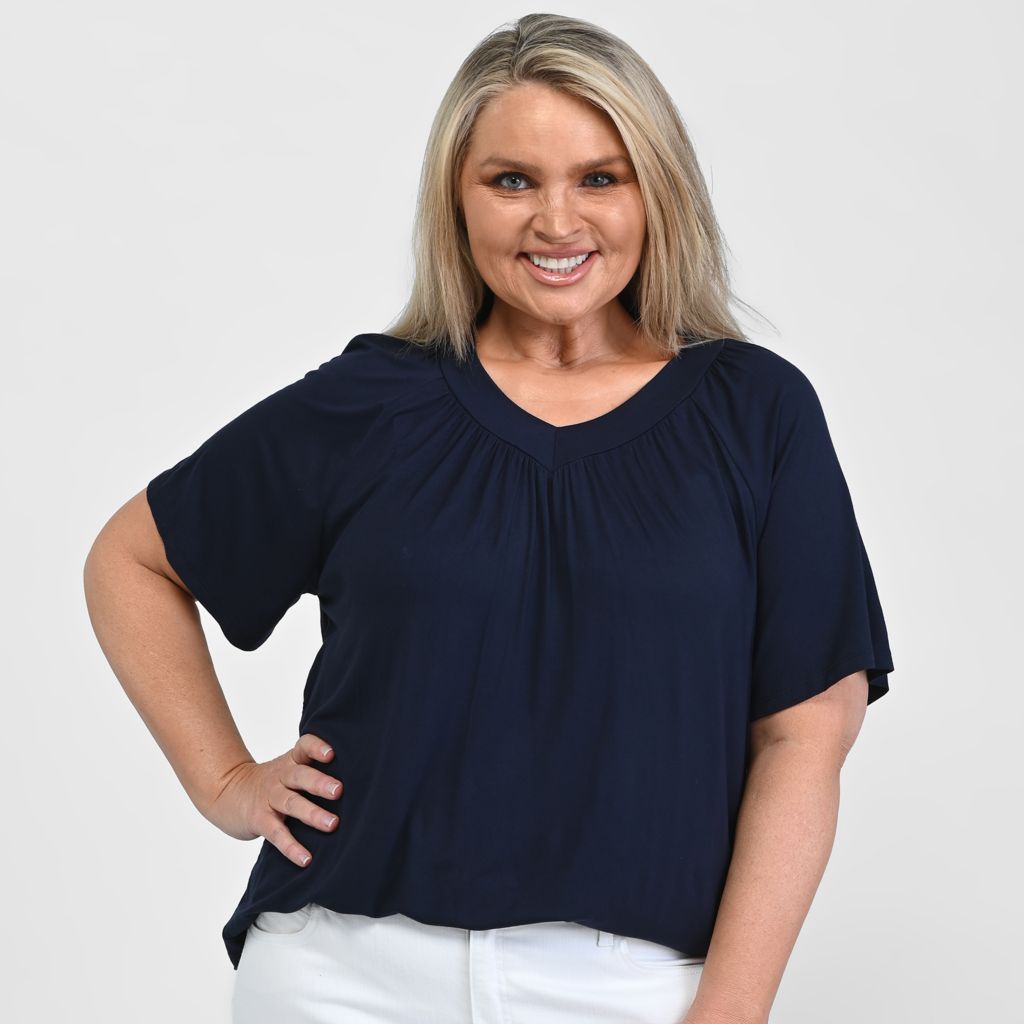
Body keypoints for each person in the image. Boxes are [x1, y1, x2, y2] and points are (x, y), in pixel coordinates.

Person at [83, 13, 894, 1024]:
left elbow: (805, 737)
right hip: (342, 975)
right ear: (455, 201)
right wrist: (227, 782)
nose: (557, 220)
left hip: (629, 987)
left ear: (657, 190)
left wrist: (729, 1009)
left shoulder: (756, 413)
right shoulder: (371, 405)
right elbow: (131, 560)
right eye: (511, 180)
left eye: (599, 178)